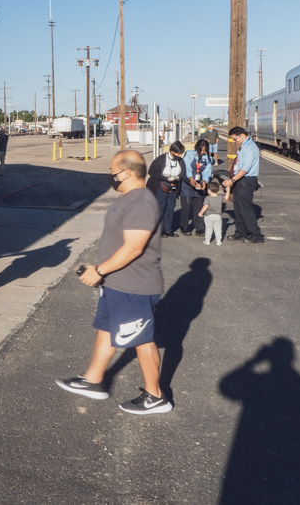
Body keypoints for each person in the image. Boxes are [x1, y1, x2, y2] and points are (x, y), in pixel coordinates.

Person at [55, 150, 172, 415]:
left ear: (126, 172)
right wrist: (102, 272)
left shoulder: (141, 201)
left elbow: (133, 248)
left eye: (113, 171)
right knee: (107, 330)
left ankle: (155, 396)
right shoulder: (129, 198)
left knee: (141, 339)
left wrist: (99, 270)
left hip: (135, 285)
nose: (111, 176)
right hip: (117, 282)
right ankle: (94, 380)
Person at [223, 126, 264, 243]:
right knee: (238, 208)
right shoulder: (243, 147)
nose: (235, 141)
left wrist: (232, 180)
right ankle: (241, 232)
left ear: (241, 135)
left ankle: (256, 235)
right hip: (240, 180)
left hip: (246, 180)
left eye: (235, 139)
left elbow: (245, 168)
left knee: (246, 209)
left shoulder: (249, 148)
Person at [146, 141, 187, 237]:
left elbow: (183, 174)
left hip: (173, 187)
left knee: (170, 208)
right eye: (178, 153)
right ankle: (158, 230)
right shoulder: (161, 159)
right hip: (161, 186)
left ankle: (168, 229)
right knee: (160, 208)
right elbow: (152, 172)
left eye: (181, 153)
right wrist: (166, 178)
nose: (180, 155)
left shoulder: (180, 161)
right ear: (172, 151)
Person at [179, 138, 212, 236]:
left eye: (204, 150)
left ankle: (200, 228)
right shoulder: (189, 154)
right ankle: (184, 227)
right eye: (201, 150)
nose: (202, 152)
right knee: (187, 205)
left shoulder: (208, 158)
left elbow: (207, 171)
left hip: (199, 184)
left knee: (200, 206)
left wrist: (204, 181)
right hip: (188, 184)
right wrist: (190, 178)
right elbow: (187, 167)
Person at [198, 180, 229, 246]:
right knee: (218, 229)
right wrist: (228, 190)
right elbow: (226, 198)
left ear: (209, 190)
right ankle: (218, 241)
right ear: (217, 190)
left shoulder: (208, 198)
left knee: (209, 229)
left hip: (209, 216)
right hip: (218, 216)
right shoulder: (220, 197)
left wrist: (201, 213)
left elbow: (205, 206)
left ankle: (207, 241)